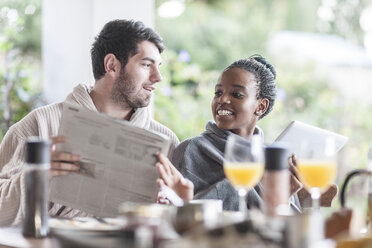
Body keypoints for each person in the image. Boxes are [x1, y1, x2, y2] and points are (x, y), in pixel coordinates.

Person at [0, 19, 181, 226]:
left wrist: (177, 203)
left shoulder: (167, 142)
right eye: (146, 65)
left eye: (158, 66)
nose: (158, 77)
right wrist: (37, 178)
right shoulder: (38, 126)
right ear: (112, 65)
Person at [164, 56, 303, 211]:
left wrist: (284, 199)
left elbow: (286, 228)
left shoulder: (273, 162)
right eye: (218, 92)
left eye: (236, 94)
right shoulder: (191, 150)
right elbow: (183, 214)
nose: (222, 99)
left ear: (261, 106)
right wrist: (255, 186)